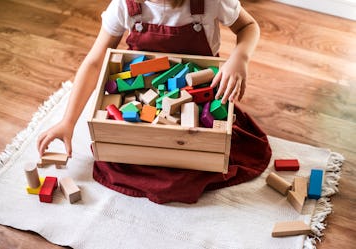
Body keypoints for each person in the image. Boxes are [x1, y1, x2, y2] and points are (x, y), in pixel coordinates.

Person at [37, 0, 272, 204]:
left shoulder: (210, 2)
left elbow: (248, 26)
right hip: (141, 95)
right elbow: (94, 63)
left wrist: (240, 57)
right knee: (122, 153)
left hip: (198, 94)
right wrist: (67, 122)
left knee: (199, 162)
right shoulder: (124, 5)